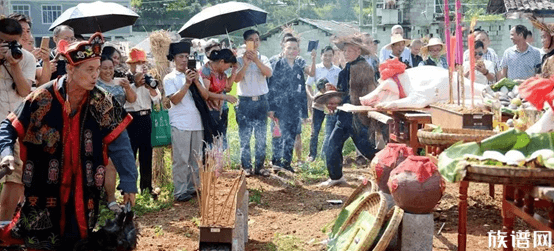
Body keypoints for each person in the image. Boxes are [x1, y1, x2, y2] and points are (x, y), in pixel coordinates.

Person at [0, 33, 134, 249]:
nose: (95, 75)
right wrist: (6, 153)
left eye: (98, 69)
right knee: (41, 240)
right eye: (89, 70)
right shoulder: (41, 97)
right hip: (43, 187)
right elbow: (8, 126)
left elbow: (120, 143)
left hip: (84, 187)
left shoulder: (102, 101)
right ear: (71, 69)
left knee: (79, 239)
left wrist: (128, 182)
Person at [320, 34, 379, 187]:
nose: (346, 53)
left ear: (358, 51)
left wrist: (343, 98)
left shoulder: (364, 67)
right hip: (344, 116)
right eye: (344, 51)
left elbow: (367, 93)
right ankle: (336, 177)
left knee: (368, 150)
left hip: (358, 117)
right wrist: (334, 92)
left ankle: (387, 172)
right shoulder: (346, 68)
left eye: (349, 51)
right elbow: (345, 91)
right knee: (332, 145)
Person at [164, 40, 214, 202]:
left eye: (187, 56)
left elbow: (205, 96)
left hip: (197, 122)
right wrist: (186, 83)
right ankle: (180, 191)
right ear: (174, 58)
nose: (184, 60)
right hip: (180, 124)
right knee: (181, 159)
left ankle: (193, 187)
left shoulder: (195, 75)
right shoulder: (170, 78)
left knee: (196, 158)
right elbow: (175, 100)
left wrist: (196, 81)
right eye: (181, 56)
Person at [0, 18, 35, 225]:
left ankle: (3, 229)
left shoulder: (26, 58)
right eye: (4, 41)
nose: (9, 47)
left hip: (14, 128)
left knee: (14, 180)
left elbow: (24, 91)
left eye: (13, 42)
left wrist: (15, 66)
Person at [268, 36, 315, 173]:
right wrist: (270, 108)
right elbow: (270, 87)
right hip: (279, 107)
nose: (291, 51)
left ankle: (286, 163)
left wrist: (313, 58)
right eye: (289, 48)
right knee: (278, 135)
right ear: (284, 49)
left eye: (294, 48)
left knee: (291, 135)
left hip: (294, 108)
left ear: (298, 50)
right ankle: (276, 163)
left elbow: (311, 73)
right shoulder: (276, 64)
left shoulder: (299, 64)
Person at [96, 55, 137, 212]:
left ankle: (124, 199)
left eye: (110, 68)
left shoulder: (120, 83)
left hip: (119, 127)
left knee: (126, 161)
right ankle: (108, 199)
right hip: (99, 129)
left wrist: (127, 87)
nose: (108, 71)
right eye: (104, 68)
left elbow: (132, 99)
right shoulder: (94, 85)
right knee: (106, 165)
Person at [234, 30, 273, 176]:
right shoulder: (238, 59)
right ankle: (246, 167)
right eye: (251, 40)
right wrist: (245, 64)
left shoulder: (263, 58)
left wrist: (256, 61)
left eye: (257, 39)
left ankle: (260, 166)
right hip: (244, 102)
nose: (255, 43)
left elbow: (268, 73)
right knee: (245, 136)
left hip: (261, 101)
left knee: (261, 136)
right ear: (245, 42)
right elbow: (236, 79)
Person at [123, 48, 160, 197]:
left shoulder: (149, 78)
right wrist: (135, 84)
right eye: (137, 63)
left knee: (146, 153)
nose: (140, 65)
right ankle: (128, 189)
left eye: (142, 62)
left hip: (146, 117)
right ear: (130, 65)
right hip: (131, 118)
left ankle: (146, 187)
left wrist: (150, 88)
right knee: (129, 154)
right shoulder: (125, 79)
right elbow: (124, 98)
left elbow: (157, 99)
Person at [305, 46, 341, 162]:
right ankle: (312, 155)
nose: (327, 57)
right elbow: (308, 85)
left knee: (330, 132)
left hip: (332, 106)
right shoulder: (316, 69)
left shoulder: (337, 70)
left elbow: (340, 87)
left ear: (333, 56)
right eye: (325, 55)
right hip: (318, 105)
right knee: (315, 131)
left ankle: (327, 155)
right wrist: (312, 97)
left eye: (330, 55)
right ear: (321, 56)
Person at [200, 49, 238, 149]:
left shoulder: (221, 73)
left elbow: (228, 87)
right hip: (208, 112)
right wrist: (224, 97)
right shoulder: (206, 71)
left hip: (219, 112)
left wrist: (234, 71)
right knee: (209, 144)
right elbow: (205, 93)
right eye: (228, 66)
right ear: (221, 62)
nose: (228, 68)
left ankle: (217, 163)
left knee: (220, 143)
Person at [7, 13, 52, 87]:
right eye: (21, 30)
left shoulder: (30, 55)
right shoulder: (4, 53)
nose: (25, 35)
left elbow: (43, 83)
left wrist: (46, 61)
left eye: (28, 31)